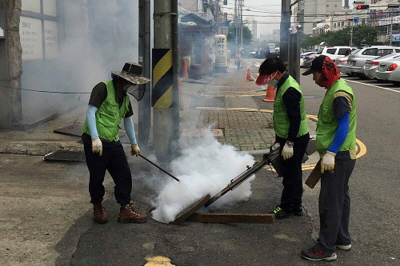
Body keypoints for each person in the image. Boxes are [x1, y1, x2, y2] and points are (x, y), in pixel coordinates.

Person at [301, 55, 357, 261]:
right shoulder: (335, 87)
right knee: (340, 198)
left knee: (330, 201)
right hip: (342, 154)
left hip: (339, 156)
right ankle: (342, 238)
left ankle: (326, 248)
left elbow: (343, 125)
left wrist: (331, 152)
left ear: (323, 72)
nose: (314, 79)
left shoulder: (339, 94)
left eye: (314, 74)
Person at [82, 62, 150, 224]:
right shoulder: (103, 88)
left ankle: (125, 209)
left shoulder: (124, 98)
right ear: (123, 80)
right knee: (97, 176)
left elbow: (127, 121)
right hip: (96, 142)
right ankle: (98, 206)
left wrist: (134, 144)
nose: (134, 86)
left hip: (113, 141)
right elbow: (91, 112)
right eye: (132, 83)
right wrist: (94, 138)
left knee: (123, 175)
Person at [256, 57, 310, 219]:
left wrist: (289, 143)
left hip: (295, 138)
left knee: (290, 174)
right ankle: (296, 205)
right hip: (286, 137)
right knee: (293, 172)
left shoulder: (290, 90)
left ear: (277, 73)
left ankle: (287, 207)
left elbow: (295, 120)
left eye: (269, 77)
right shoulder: (282, 83)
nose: (268, 82)